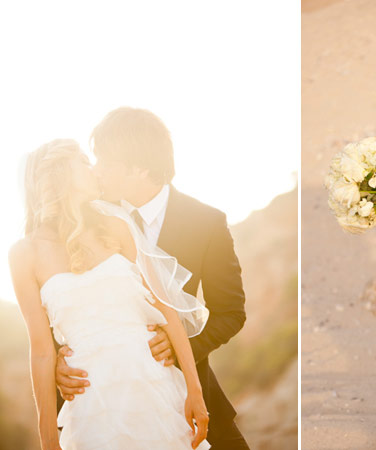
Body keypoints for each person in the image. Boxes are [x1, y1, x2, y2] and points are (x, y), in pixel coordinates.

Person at [54, 107, 249, 449]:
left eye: (104, 160)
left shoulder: (206, 223)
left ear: (139, 167)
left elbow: (231, 313)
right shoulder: (83, 218)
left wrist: (180, 345)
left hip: (191, 398)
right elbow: (59, 297)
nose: (95, 171)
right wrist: (59, 359)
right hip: (99, 404)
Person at [9, 140, 211, 449]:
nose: (93, 170)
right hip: (93, 401)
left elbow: (166, 308)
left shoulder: (117, 226)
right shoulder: (25, 254)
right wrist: (48, 439)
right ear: (62, 174)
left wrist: (195, 390)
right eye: (84, 162)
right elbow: (41, 351)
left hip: (153, 385)